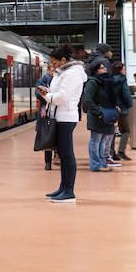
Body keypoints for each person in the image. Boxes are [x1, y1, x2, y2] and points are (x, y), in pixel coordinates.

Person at [42, 45, 86, 203]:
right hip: (60, 116)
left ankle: (69, 191)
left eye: (54, 63)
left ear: (63, 60)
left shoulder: (72, 74)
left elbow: (62, 97)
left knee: (67, 155)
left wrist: (47, 96)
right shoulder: (64, 72)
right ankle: (63, 187)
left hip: (66, 117)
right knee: (63, 154)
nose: (52, 66)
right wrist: (49, 94)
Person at [83, 59, 120, 172]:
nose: (105, 69)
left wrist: (115, 107)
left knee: (104, 140)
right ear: (95, 71)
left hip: (107, 115)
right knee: (96, 140)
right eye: (101, 68)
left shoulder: (107, 81)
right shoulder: (92, 82)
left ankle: (102, 163)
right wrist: (98, 112)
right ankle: (95, 164)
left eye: (105, 67)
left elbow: (110, 98)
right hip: (98, 116)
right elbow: (88, 100)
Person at [112, 61, 135, 162]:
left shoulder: (109, 80)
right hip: (122, 110)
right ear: (121, 70)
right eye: (124, 69)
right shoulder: (122, 80)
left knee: (112, 131)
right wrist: (129, 104)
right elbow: (126, 94)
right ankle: (121, 151)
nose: (125, 71)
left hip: (112, 108)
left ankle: (111, 152)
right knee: (126, 130)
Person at [35, 62, 55, 171]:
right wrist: (49, 94)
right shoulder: (43, 80)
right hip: (46, 112)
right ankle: (48, 162)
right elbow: (38, 94)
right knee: (48, 136)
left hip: (57, 111)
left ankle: (56, 157)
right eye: (52, 70)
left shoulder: (59, 80)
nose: (53, 72)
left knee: (57, 136)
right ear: (48, 70)